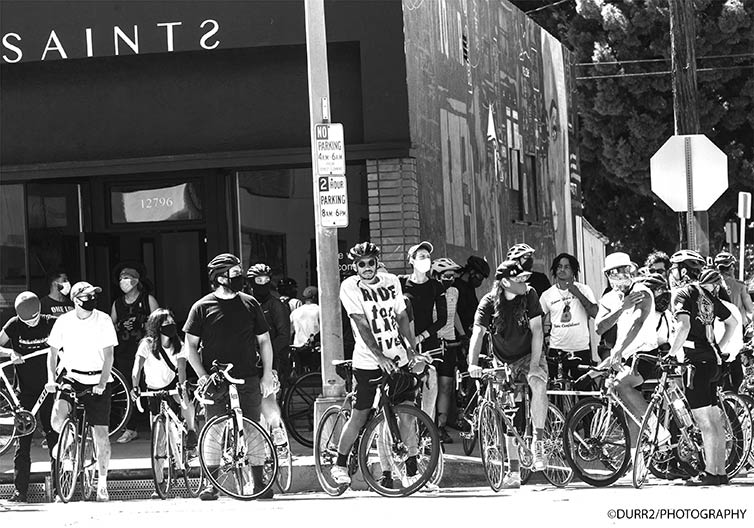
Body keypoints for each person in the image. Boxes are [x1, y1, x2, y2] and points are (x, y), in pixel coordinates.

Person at [183, 253, 275, 501]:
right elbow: (189, 345)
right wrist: (201, 375)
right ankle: (211, 484)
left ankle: (259, 481)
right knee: (214, 429)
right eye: (234, 274)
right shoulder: (201, 307)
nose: (240, 278)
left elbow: (264, 340)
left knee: (253, 427)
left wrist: (266, 374)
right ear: (220, 278)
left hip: (248, 376)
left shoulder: (250, 303)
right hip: (215, 379)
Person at [331, 242, 418, 487]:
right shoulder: (349, 286)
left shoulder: (392, 281)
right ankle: (339, 463)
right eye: (361, 264)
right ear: (355, 266)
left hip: (398, 358)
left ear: (377, 263)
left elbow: (401, 316)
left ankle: (411, 471)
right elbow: (361, 323)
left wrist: (411, 350)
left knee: (407, 415)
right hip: (368, 361)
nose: (367, 268)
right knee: (360, 415)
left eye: (371, 263)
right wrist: (379, 356)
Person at [467, 260, 547, 489]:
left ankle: (539, 442)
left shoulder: (529, 295)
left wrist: (534, 365)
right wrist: (472, 363)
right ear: (505, 282)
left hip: (530, 353)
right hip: (503, 360)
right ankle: (513, 472)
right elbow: (478, 334)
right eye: (519, 279)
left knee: (537, 383)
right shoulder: (488, 303)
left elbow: (538, 330)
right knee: (508, 410)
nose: (525, 282)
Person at [46, 282, 118, 502]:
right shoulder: (64, 321)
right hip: (72, 375)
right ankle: (67, 445)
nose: (91, 300)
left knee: (101, 436)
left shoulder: (103, 319)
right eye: (87, 296)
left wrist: (103, 383)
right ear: (76, 299)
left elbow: (109, 356)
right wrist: (51, 379)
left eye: (93, 296)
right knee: (57, 418)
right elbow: (53, 353)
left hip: (97, 378)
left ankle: (102, 483)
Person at [667, 267, 738, 486]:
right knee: (715, 421)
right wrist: (718, 347)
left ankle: (709, 473)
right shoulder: (710, 298)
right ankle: (720, 473)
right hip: (714, 363)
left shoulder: (684, 294)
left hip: (696, 364)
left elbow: (684, 326)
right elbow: (733, 323)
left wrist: (671, 355)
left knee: (704, 422)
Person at [595, 252, 658, 450]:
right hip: (625, 357)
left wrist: (618, 350)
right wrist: (621, 308)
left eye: (623, 270)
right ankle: (635, 461)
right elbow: (599, 327)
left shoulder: (642, 291)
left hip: (645, 354)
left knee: (621, 385)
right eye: (613, 273)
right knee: (629, 410)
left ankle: (657, 430)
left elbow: (638, 323)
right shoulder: (610, 297)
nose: (619, 276)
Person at [0, 292, 58, 502]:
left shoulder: (51, 322)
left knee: (54, 437)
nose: (32, 324)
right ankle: (20, 491)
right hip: (24, 392)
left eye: (34, 319)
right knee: (22, 443)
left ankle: (61, 487)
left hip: (48, 388)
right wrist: (10, 354)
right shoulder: (14, 325)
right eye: (27, 321)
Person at [111, 261, 159, 444]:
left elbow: (159, 321)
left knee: (151, 387)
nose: (123, 281)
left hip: (147, 351)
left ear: (136, 281)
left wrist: (143, 324)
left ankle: (157, 423)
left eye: (127, 278)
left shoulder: (148, 299)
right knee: (130, 389)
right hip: (124, 351)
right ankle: (130, 428)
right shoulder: (117, 303)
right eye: (121, 278)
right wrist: (121, 325)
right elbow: (111, 325)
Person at [246, 263, 289, 448]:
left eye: (266, 281)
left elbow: (284, 336)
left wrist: (266, 352)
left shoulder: (276, 305)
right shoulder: (244, 303)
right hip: (246, 359)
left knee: (267, 395)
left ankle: (276, 427)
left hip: (270, 359)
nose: (262, 284)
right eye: (258, 281)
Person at [539, 253, 599, 381]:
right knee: (557, 392)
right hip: (557, 351)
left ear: (573, 271)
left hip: (581, 349)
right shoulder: (547, 295)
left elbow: (595, 314)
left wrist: (577, 293)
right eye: (559, 266)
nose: (562, 270)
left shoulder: (584, 289)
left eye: (567, 267)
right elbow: (538, 320)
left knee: (584, 392)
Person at [429, 257, 465, 443]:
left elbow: (455, 313)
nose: (449, 279)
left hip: (449, 342)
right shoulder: (428, 291)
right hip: (432, 344)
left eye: (452, 276)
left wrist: (462, 334)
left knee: (446, 386)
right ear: (435, 275)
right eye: (445, 276)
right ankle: (427, 426)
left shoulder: (454, 291)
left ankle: (440, 426)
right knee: (430, 387)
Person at [290, 286, 321, 371]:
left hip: (298, 350)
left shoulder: (295, 312)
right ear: (315, 297)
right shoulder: (320, 310)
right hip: (315, 350)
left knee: (300, 375)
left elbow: (290, 332)